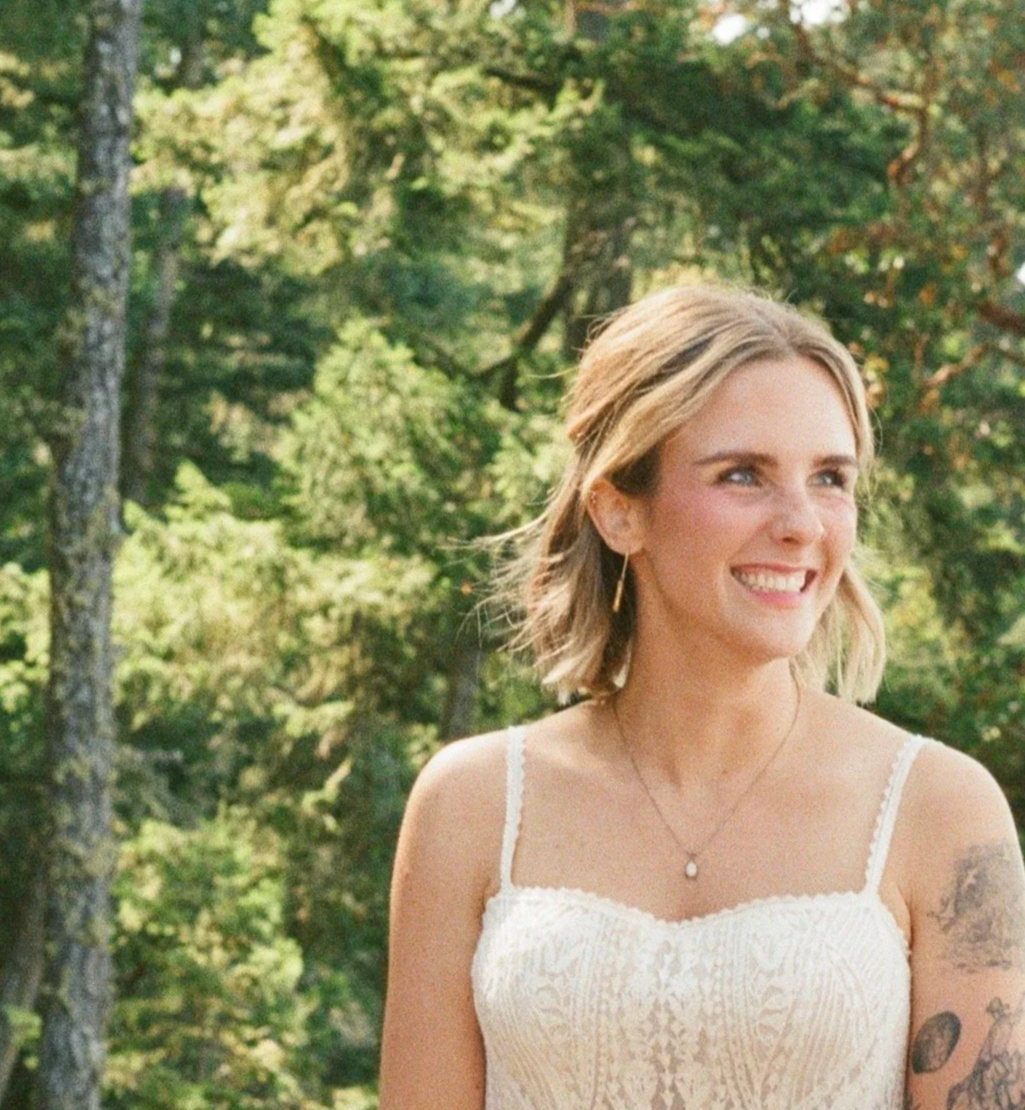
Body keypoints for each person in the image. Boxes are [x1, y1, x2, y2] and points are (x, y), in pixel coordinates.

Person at [378, 284, 1025, 1110]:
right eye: (743, 474)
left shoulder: (940, 809)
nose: (801, 523)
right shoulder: (471, 804)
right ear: (618, 509)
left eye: (829, 477)